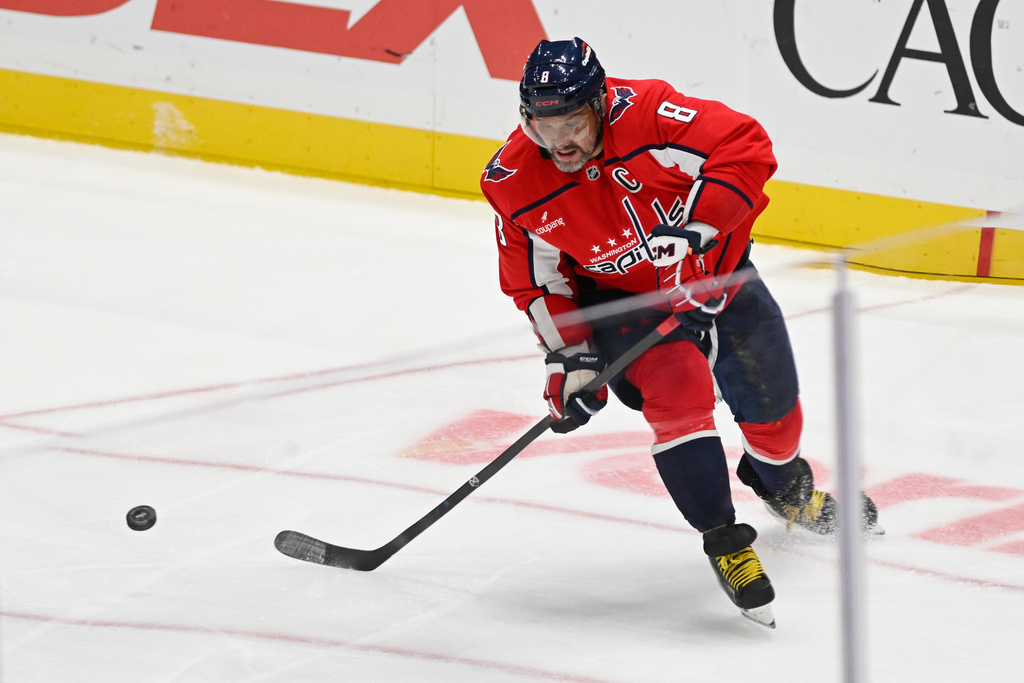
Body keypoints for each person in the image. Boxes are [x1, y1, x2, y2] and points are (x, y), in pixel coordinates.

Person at [480, 37, 880, 628]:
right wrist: (571, 358)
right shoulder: (514, 181)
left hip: (717, 279)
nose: (558, 141)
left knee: (775, 423)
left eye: (571, 121)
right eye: (542, 125)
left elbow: (744, 144)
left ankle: (784, 487)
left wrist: (698, 231)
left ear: (601, 102)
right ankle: (726, 541)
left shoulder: (650, 113)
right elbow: (537, 285)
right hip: (622, 305)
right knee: (680, 398)